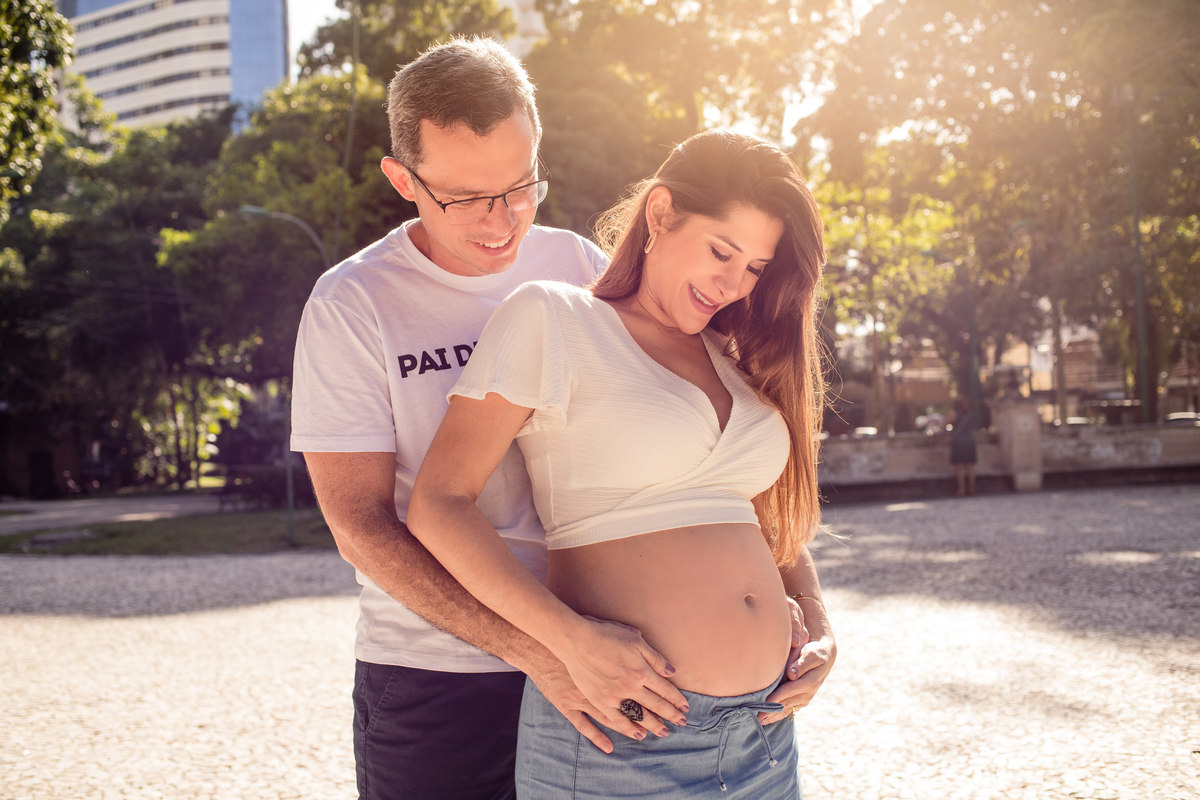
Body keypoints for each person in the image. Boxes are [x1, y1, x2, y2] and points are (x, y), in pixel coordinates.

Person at [408, 129, 837, 798]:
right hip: (625, 736)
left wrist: (816, 618)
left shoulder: (734, 356)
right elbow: (438, 503)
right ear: (661, 213)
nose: (733, 283)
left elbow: (763, 518)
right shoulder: (555, 318)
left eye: (756, 267)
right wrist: (567, 641)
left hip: (765, 732)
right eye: (722, 251)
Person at [291, 37, 618, 800]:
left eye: (521, 185)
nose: (501, 221)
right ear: (403, 179)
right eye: (465, 199)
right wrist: (533, 650)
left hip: (598, 654)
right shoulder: (351, 304)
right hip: (436, 680)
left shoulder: (579, 268)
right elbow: (361, 527)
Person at [950, 397, 978, 496]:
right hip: (970, 441)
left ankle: (962, 489)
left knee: (959, 467)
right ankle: (972, 489)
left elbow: (943, 423)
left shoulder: (954, 413)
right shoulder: (969, 414)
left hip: (959, 442)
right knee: (971, 467)